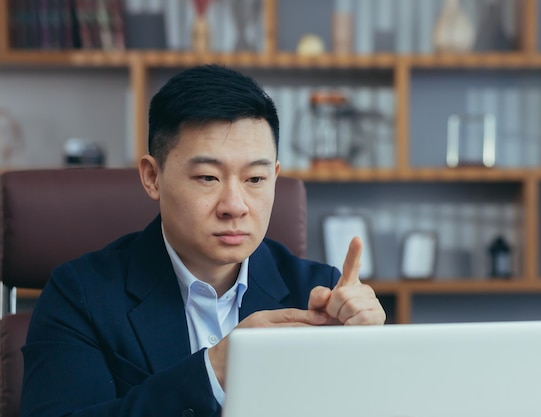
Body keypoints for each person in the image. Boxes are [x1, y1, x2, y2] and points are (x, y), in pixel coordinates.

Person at [20, 64, 386, 417]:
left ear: (275, 177)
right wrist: (215, 370)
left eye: (255, 179)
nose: (235, 206)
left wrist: (371, 362)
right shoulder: (80, 295)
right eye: (208, 177)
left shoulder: (317, 293)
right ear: (152, 177)